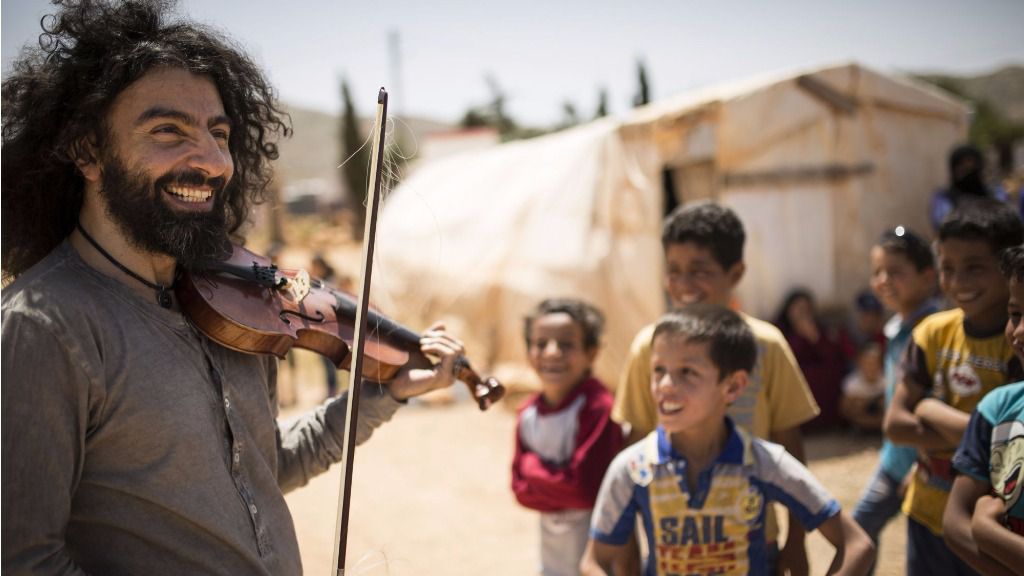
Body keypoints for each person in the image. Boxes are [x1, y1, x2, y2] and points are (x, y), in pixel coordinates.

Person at [1, 2, 466, 574]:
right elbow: (24, 559)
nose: (211, 161)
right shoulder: (43, 325)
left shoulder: (237, 304)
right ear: (87, 151)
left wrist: (386, 393)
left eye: (218, 134)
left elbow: (267, 465)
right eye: (168, 131)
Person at [581, 305, 875, 576]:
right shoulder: (632, 469)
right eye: (659, 370)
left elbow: (856, 544)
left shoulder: (764, 464)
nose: (666, 386)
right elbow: (594, 561)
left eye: (688, 372)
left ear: (733, 386)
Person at [612, 202, 820, 573]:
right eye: (673, 270)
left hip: (756, 545)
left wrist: (796, 541)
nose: (683, 284)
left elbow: (790, 444)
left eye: (700, 271)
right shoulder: (649, 348)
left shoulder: (766, 346)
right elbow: (632, 458)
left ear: (735, 272)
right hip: (672, 549)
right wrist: (626, 553)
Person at [884, 198, 1023, 576]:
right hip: (928, 512)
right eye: (947, 268)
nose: (958, 282)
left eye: (974, 268)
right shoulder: (932, 333)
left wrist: (929, 410)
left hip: (996, 524)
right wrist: (978, 435)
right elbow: (895, 425)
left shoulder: (1016, 343)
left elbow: (1009, 443)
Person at [512, 298, 624, 576]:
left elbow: (585, 490)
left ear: (592, 352)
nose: (552, 353)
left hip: (599, 564)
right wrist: (560, 483)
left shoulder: (598, 408)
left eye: (566, 344)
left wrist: (532, 468)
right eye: (541, 343)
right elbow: (520, 491)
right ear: (528, 352)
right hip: (553, 564)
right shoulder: (528, 413)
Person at [849, 226, 938, 572]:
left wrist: (922, 464)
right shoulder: (896, 328)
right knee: (859, 533)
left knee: (925, 555)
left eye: (895, 272)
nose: (884, 280)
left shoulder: (934, 330)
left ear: (927, 276)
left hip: (926, 466)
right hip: (892, 461)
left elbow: (940, 403)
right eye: (877, 272)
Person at [941, 244, 1024, 575]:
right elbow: (954, 522)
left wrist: (988, 533)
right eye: (1015, 314)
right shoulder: (997, 409)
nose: (1018, 332)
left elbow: (973, 524)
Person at [774, 288, 855, 431]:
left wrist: (815, 338)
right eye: (798, 309)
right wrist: (799, 336)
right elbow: (784, 357)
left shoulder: (821, 329)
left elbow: (832, 356)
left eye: (806, 309)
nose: (802, 314)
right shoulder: (780, 331)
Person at [929, 144, 1008, 232]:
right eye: (962, 167)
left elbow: (1004, 220)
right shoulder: (944, 196)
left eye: (971, 165)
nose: (968, 171)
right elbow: (942, 223)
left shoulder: (995, 192)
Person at [310, 252, 340, 398]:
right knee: (325, 362)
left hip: (331, 327)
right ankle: (330, 390)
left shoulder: (328, 282)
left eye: (314, 266)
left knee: (330, 362)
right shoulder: (315, 282)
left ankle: (333, 391)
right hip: (320, 327)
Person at [839, 342, 885, 432]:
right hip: (860, 418)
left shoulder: (887, 380)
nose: (871, 367)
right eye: (867, 364)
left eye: (874, 363)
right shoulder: (851, 382)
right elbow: (844, 408)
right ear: (860, 364)